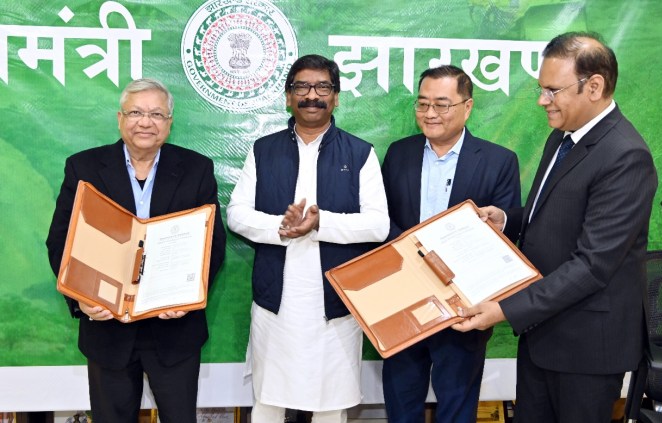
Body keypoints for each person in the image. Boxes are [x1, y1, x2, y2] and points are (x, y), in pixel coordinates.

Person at [452, 32, 658, 423]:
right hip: (543, 333)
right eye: (541, 89)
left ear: (593, 86)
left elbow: (592, 265)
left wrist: (504, 309)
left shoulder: (625, 156)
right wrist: (508, 219)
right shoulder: (562, 136)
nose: (542, 100)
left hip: (586, 349)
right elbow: (555, 212)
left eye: (552, 91)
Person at [46, 78, 227, 423]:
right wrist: (82, 298)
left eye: (157, 114)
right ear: (120, 119)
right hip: (107, 327)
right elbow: (61, 241)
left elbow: (212, 245)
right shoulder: (84, 168)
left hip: (174, 330)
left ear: (169, 123)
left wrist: (188, 296)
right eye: (136, 113)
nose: (146, 122)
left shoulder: (196, 168)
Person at [226, 54, 389, 423]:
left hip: (335, 304)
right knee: (269, 402)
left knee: (330, 405)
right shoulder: (264, 149)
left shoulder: (360, 153)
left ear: (336, 97)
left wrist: (320, 224)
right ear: (288, 96)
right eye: (301, 87)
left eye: (322, 87)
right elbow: (236, 214)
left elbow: (378, 225)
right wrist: (280, 228)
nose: (311, 95)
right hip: (276, 303)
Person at [380, 65, 521, 423]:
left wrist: (499, 221)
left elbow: (508, 234)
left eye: (442, 105)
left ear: (467, 107)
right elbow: (382, 220)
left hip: (464, 307)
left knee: (457, 407)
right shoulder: (398, 153)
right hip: (403, 302)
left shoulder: (499, 161)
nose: (430, 113)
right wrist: (411, 255)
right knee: (401, 403)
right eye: (423, 103)